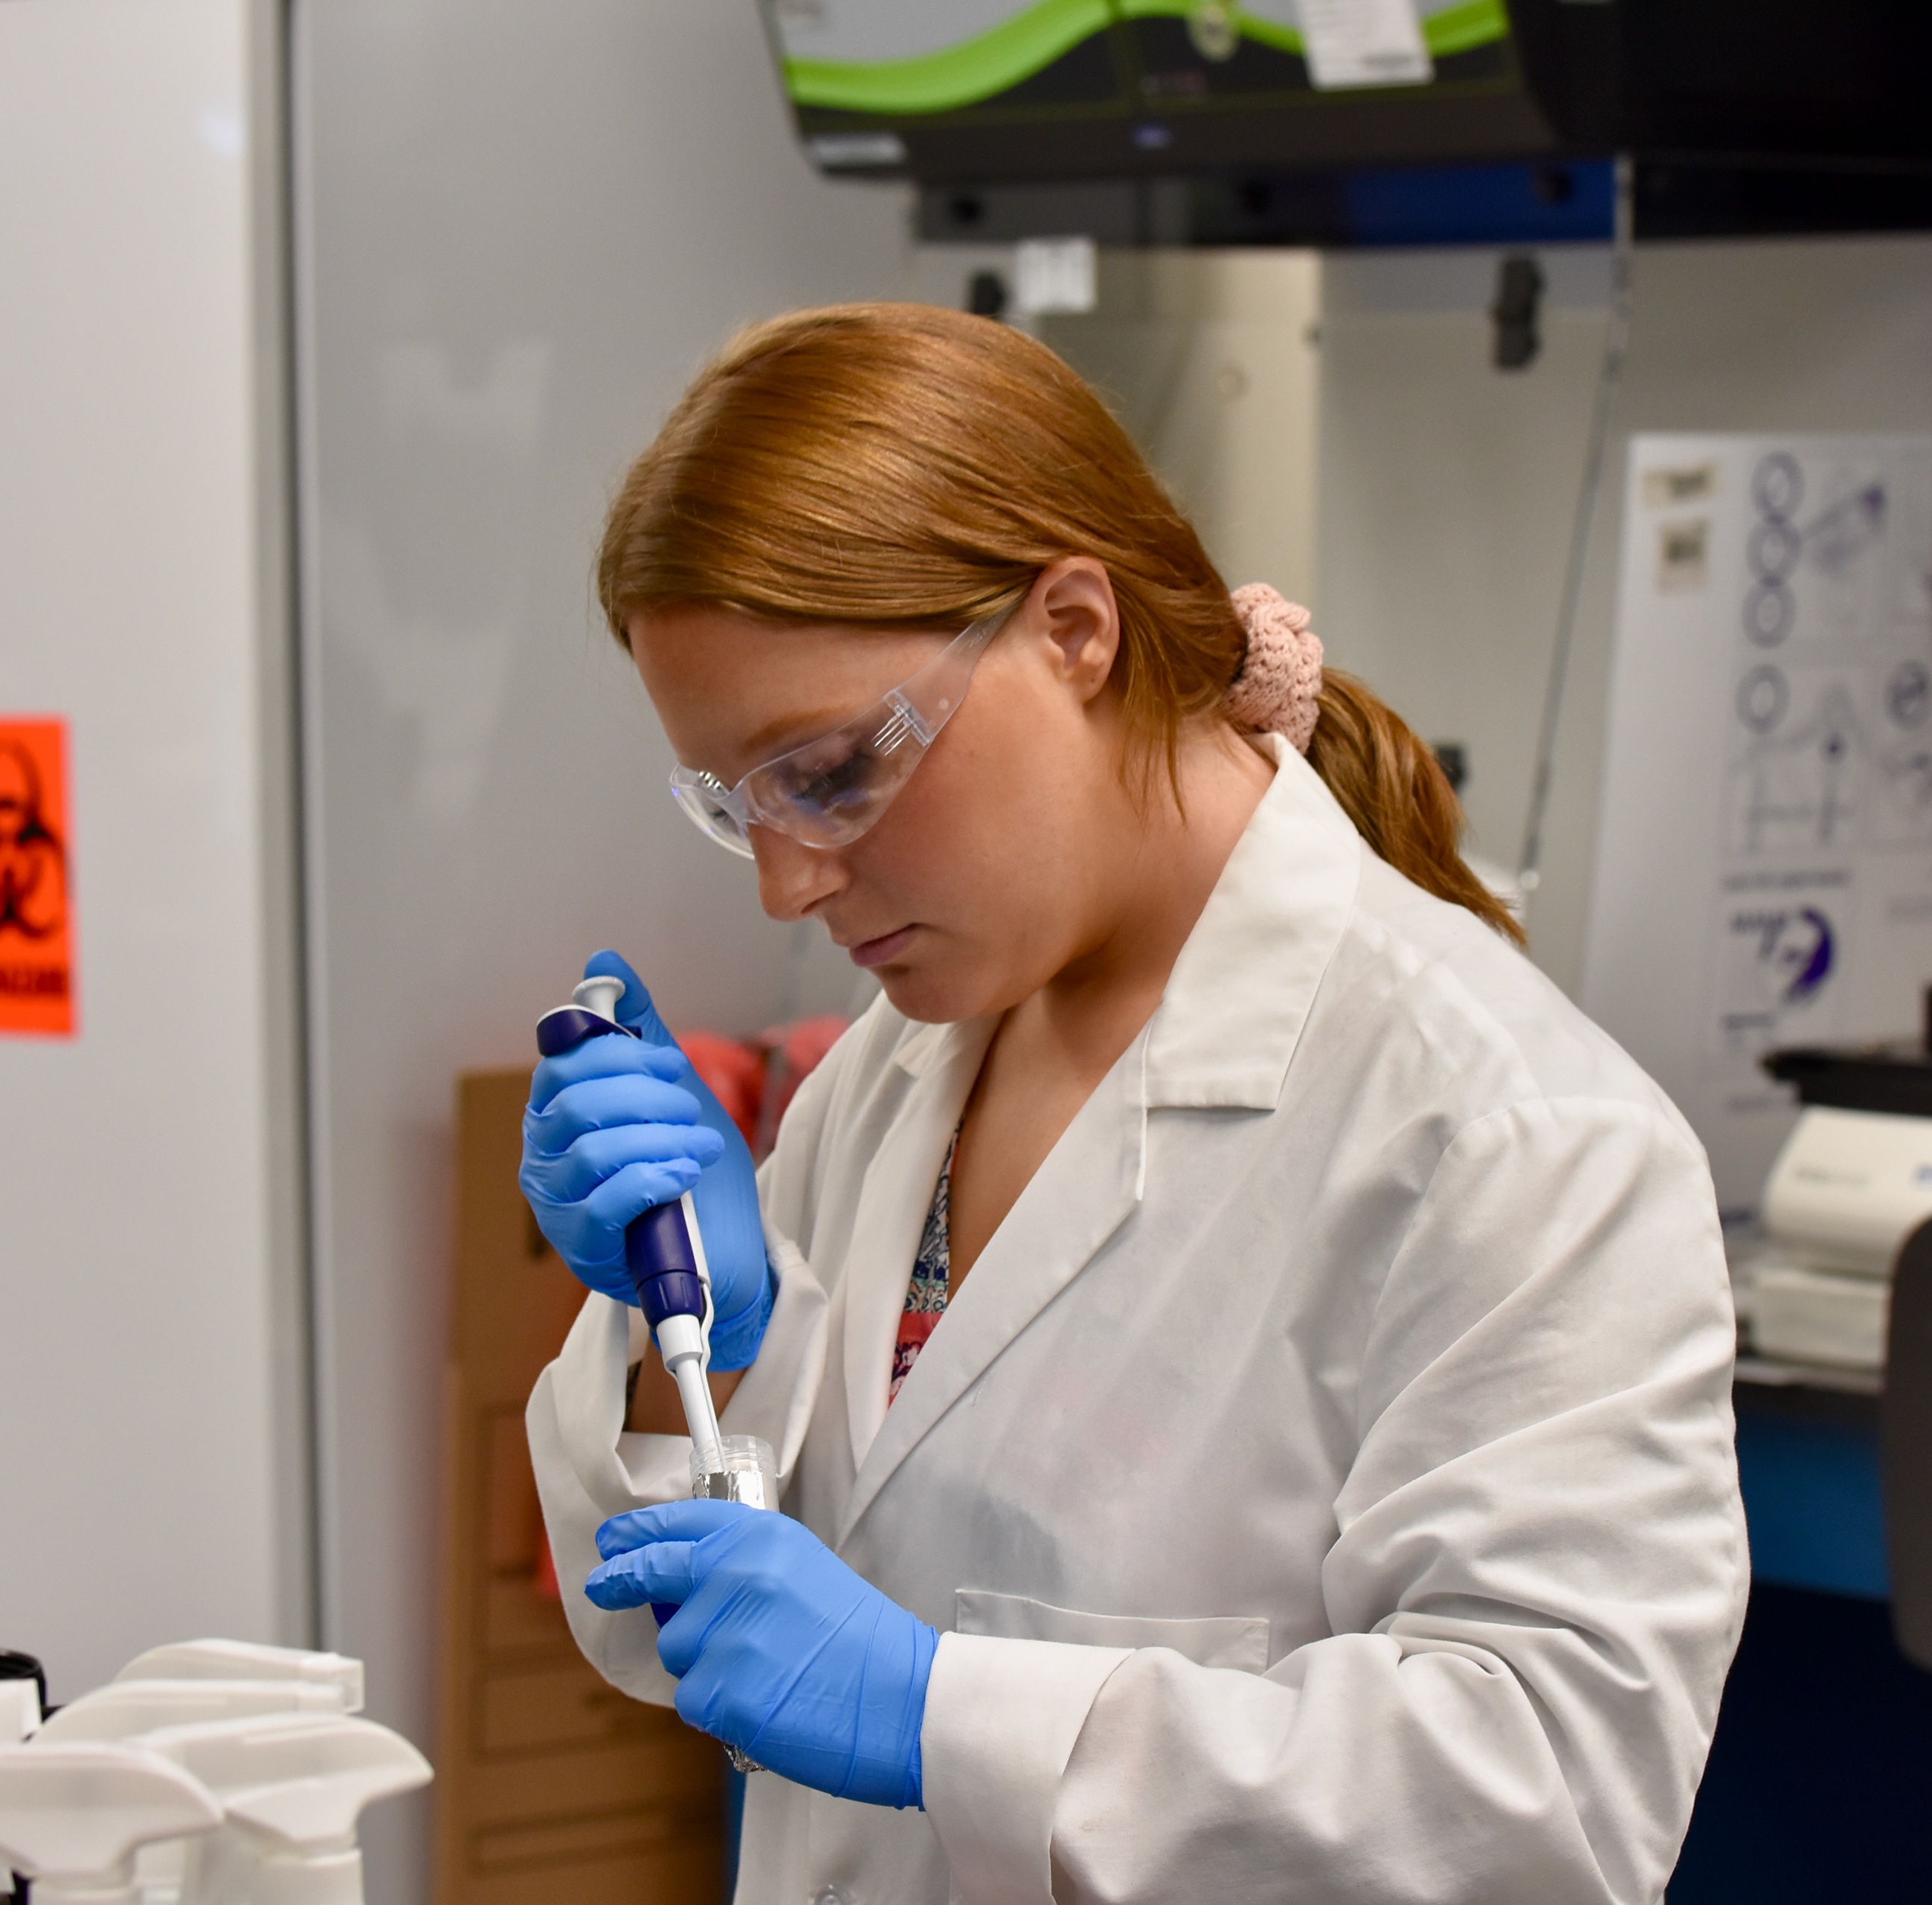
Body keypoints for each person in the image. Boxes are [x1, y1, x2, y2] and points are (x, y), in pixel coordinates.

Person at [521, 303, 1744, 1905]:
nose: (784, 882)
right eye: (731, 806)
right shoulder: (901, 1066)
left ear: (1075, 631)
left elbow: (1544, 1803)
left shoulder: (1507, 1136)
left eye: (825, 775)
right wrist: (710, 1345)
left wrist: (939, 1712)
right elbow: (700, 1648)